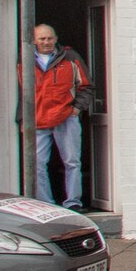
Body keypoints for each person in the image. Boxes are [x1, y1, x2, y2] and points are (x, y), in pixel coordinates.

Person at [30, 24, 90, 210]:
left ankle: (73, 202)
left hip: (66, 116)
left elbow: (86, 86)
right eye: (42, 39)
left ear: (56, 39)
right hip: (39, 118)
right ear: (34, 40)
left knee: (72, 161)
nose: (46, 42)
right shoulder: (24, 59)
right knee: (38, 164)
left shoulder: (70, 57)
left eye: (49, 38)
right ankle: (45, 204)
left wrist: (77, 108)